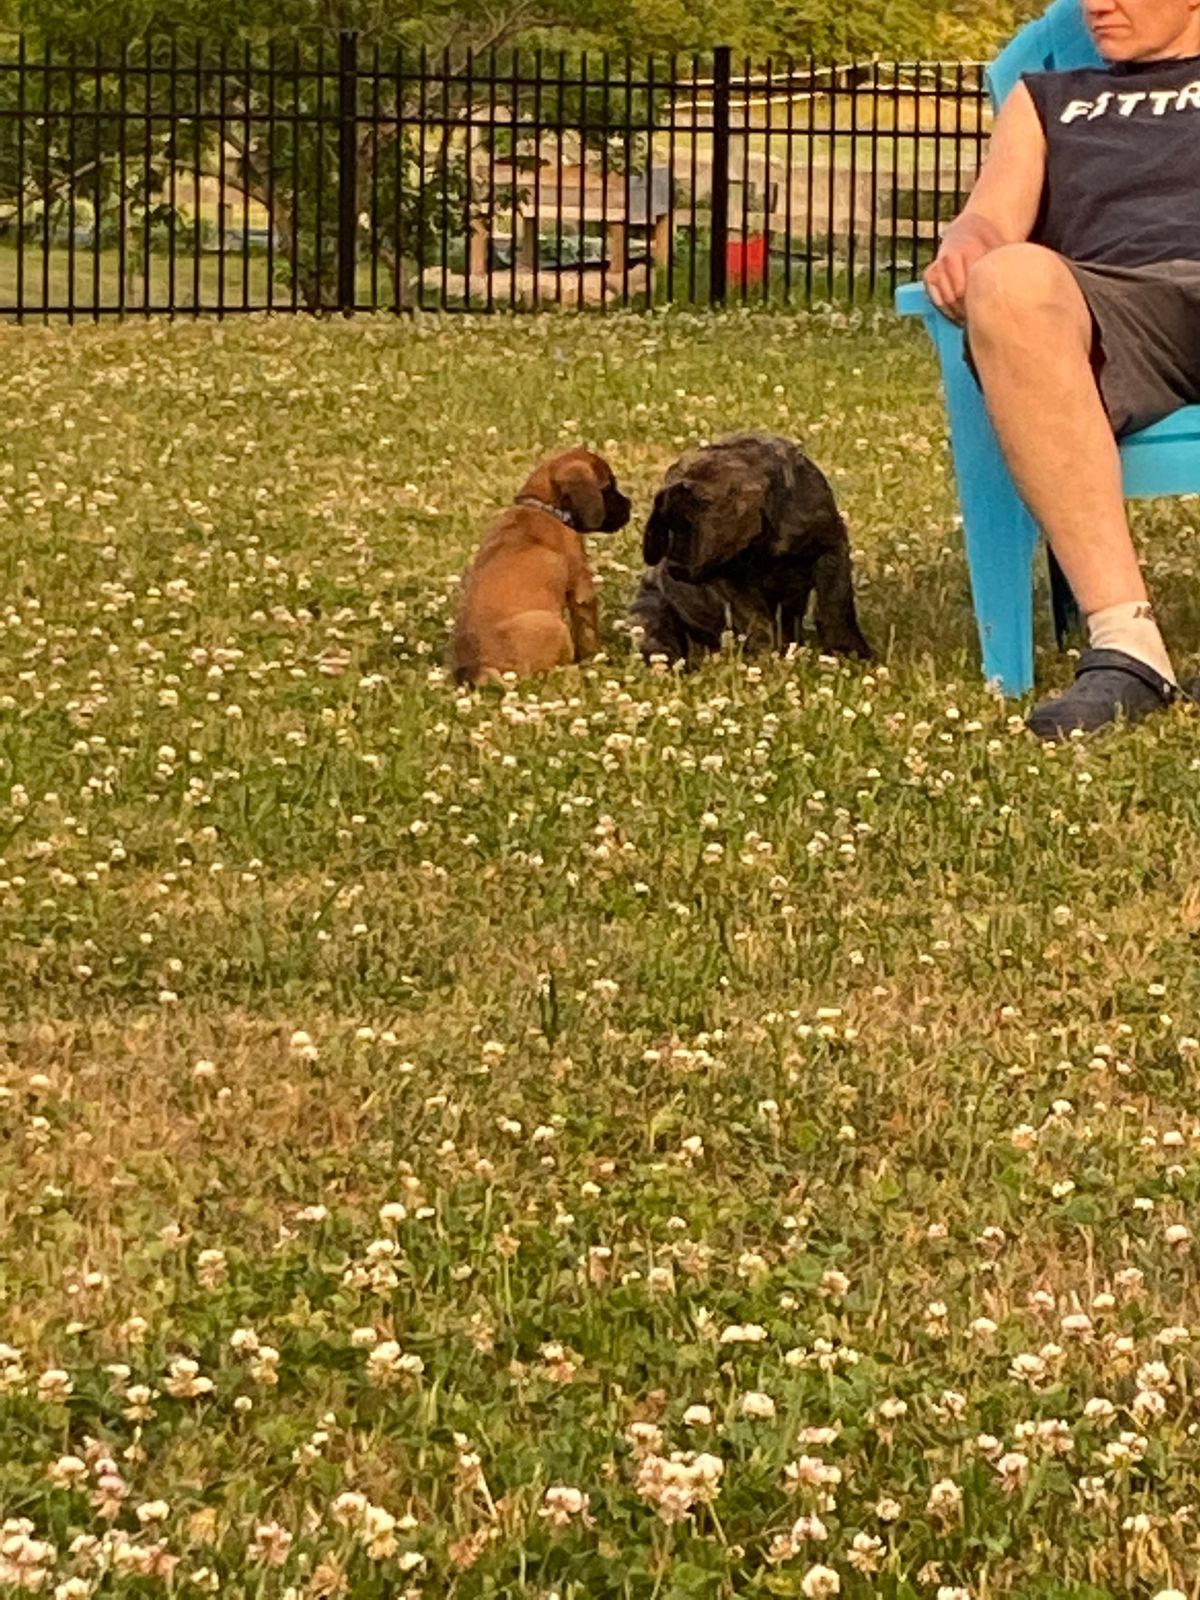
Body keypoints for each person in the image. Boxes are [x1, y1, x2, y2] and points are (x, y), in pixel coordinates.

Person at [924, 0, 1200, 738]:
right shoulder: (1048, 96)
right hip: (1116, 307)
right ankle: (1127, 647)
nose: (1097, 5)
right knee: (1008, 280)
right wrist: (970, 241)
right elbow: (991, 215)